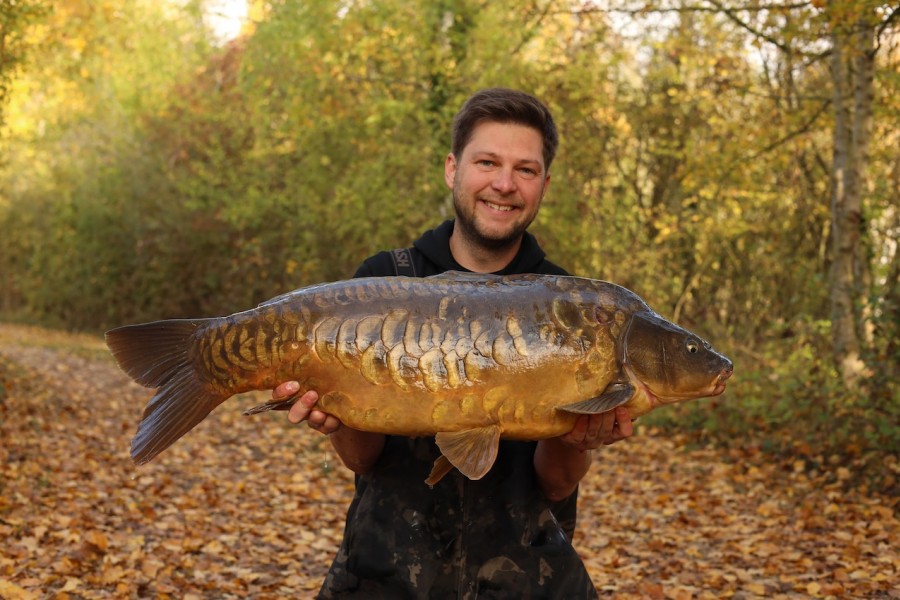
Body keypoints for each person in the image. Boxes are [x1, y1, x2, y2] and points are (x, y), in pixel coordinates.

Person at [271, 88, 633, 598]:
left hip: (524, 577)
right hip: (388, 574)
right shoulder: (382, 282)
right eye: (487, 162)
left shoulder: (571, 305)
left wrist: (580, 437)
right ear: (452, 169)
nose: (504, 184)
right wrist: (336, 412)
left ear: (544, 185)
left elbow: (555, 484)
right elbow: (362, 460)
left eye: (525, 170)